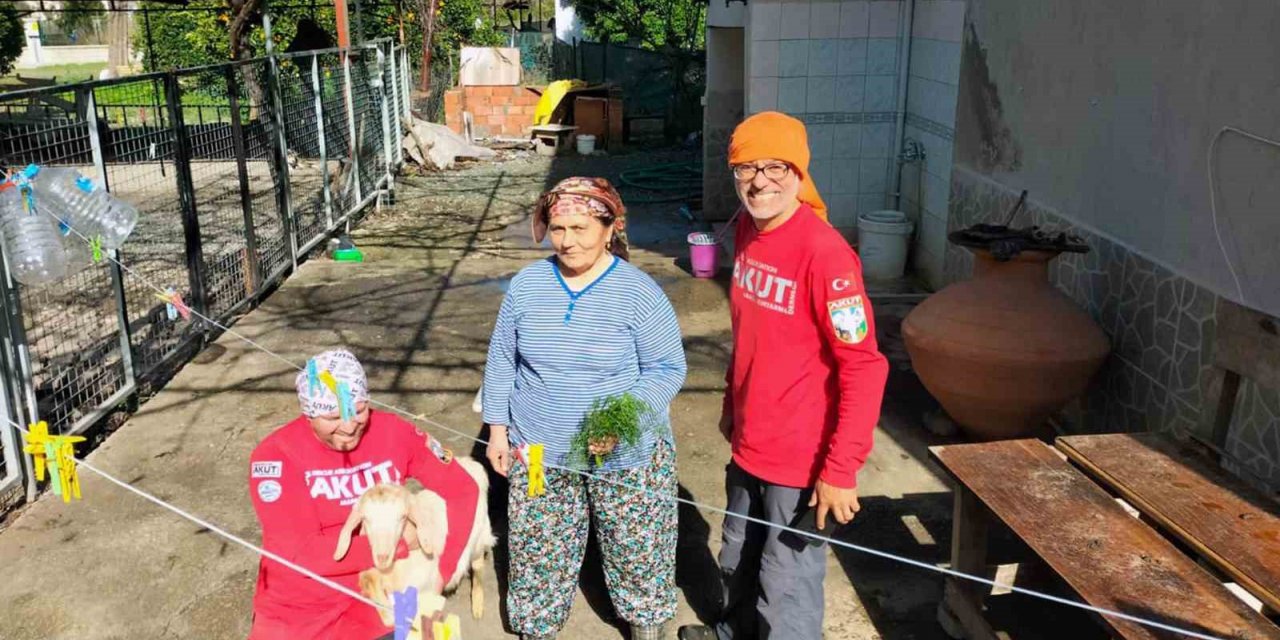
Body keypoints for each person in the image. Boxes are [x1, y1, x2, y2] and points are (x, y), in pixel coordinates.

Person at [679, 111, 890, 640]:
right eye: (747, 168)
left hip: (800, 458)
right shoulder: (747, 230)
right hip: (751, 440)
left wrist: (841, 468)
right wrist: (731, 406)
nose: (760, 181)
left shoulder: (827, 255)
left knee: (786, 583)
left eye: (775, 167)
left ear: (798, 172)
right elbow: (749, 334)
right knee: (738, 555)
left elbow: (864, 366)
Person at [482, 177, 688, 640]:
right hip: (538, 450)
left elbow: (666, 369)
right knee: (538, 545)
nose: (567, 241)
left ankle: (645, 625)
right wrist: (497, 428)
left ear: (610, 228)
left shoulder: (638, 292)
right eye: (558, 229)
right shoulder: (528, 286)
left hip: (625, 454)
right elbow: (503, 359)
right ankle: (537, 626)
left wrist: (620, 421)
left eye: (580, 228)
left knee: (637, 546)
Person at [247, 349, 480, 640]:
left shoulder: (395, 432)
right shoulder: (275, 455)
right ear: (308, 413)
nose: (348, 427)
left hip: (387, 589)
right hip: (301, 603)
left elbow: (462, 489)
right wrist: (400, 543)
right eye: (333, 416)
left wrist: (444, 571)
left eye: (358, 410)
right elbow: (302, 553)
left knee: (430, 633)